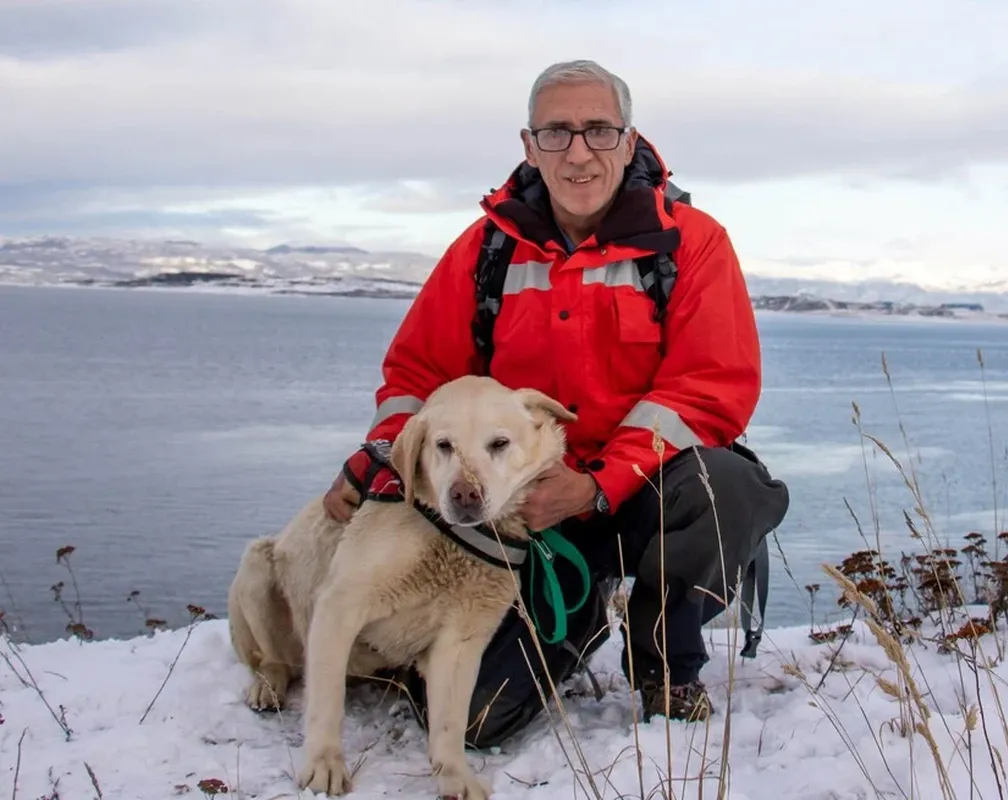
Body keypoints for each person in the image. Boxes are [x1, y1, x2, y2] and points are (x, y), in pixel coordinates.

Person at [321, 59, 790, 742]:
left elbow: (709, 390)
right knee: (475, 718)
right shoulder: (486, 249)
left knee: (728, 487)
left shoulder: (693, 244)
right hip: (522, 518)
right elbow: (416, 376)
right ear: (528, 145)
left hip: (642, 489)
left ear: (630, 143)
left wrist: (597, 486)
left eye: (599, 131)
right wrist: (385, 456)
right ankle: (567, 619)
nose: (578, 153)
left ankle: (664, 668)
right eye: (557, 133)